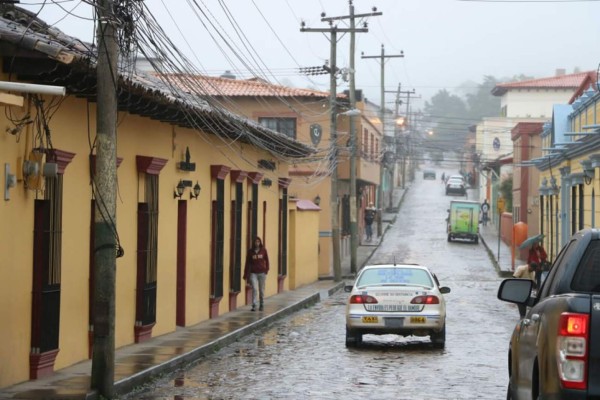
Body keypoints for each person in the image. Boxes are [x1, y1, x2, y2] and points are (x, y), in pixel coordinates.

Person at [243, 237, 269, 311]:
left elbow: (267, 260)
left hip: (262, 273)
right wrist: (245, 274)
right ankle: (254, 304)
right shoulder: (250, 252)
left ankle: (261, 303)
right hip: (253, 273)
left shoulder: (263, 250)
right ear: (253, 243)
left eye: (258, 241)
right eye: (256, 241)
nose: (257, 243)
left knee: (261, 289)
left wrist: (266, 270)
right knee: (254, 288)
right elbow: (247, 263)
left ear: (260, 242)